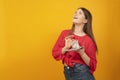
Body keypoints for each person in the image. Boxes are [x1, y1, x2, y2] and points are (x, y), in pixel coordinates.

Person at [52, 7, 98, 80]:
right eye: (75, 12)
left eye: (80, 13)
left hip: (82, 73)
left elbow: (92, 64)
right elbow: (55, 54)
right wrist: (66, 48)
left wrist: (82, 53)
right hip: (68, 72)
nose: (76, 14)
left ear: (85, 20)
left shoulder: (88, 40)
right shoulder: (65, 33)